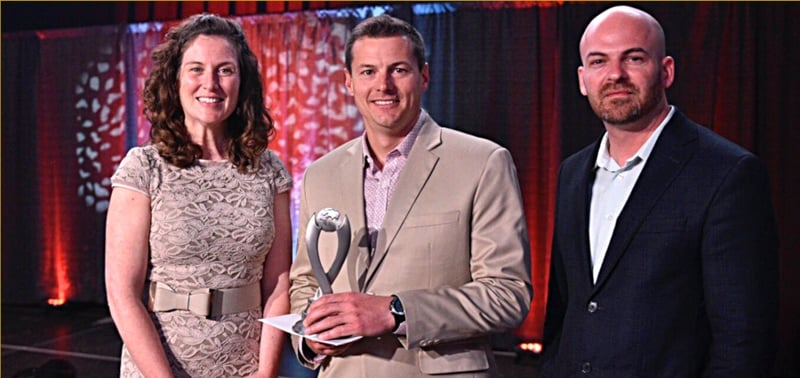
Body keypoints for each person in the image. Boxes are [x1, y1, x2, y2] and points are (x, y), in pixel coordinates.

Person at [288, 14, 532, 377]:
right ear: (349, 83)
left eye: (398, 70)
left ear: (425, 76)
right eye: (368, 71)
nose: (383, 85)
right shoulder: (320, 173)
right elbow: (305, 281)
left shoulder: (482, 162)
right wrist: (308, 339)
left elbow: (507, 294)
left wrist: (395, 311)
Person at [541, 5, 779, 377]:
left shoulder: (726, 173)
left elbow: (743, 339)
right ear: (583, 79)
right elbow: (566, 311)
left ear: (665, 71)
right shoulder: (571, 173)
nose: (615, 74)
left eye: (633, 58)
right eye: (599, 61)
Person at [105, 14, 292, 378]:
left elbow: (278, 285)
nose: (211, 83)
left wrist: (265, 374)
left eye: (225, 70)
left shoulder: (270, 170)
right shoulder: (143, 168)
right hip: (159, 367)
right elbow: (122, 294)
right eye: (196, 69)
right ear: (174, 80)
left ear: (243, 82)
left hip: (248, 366)